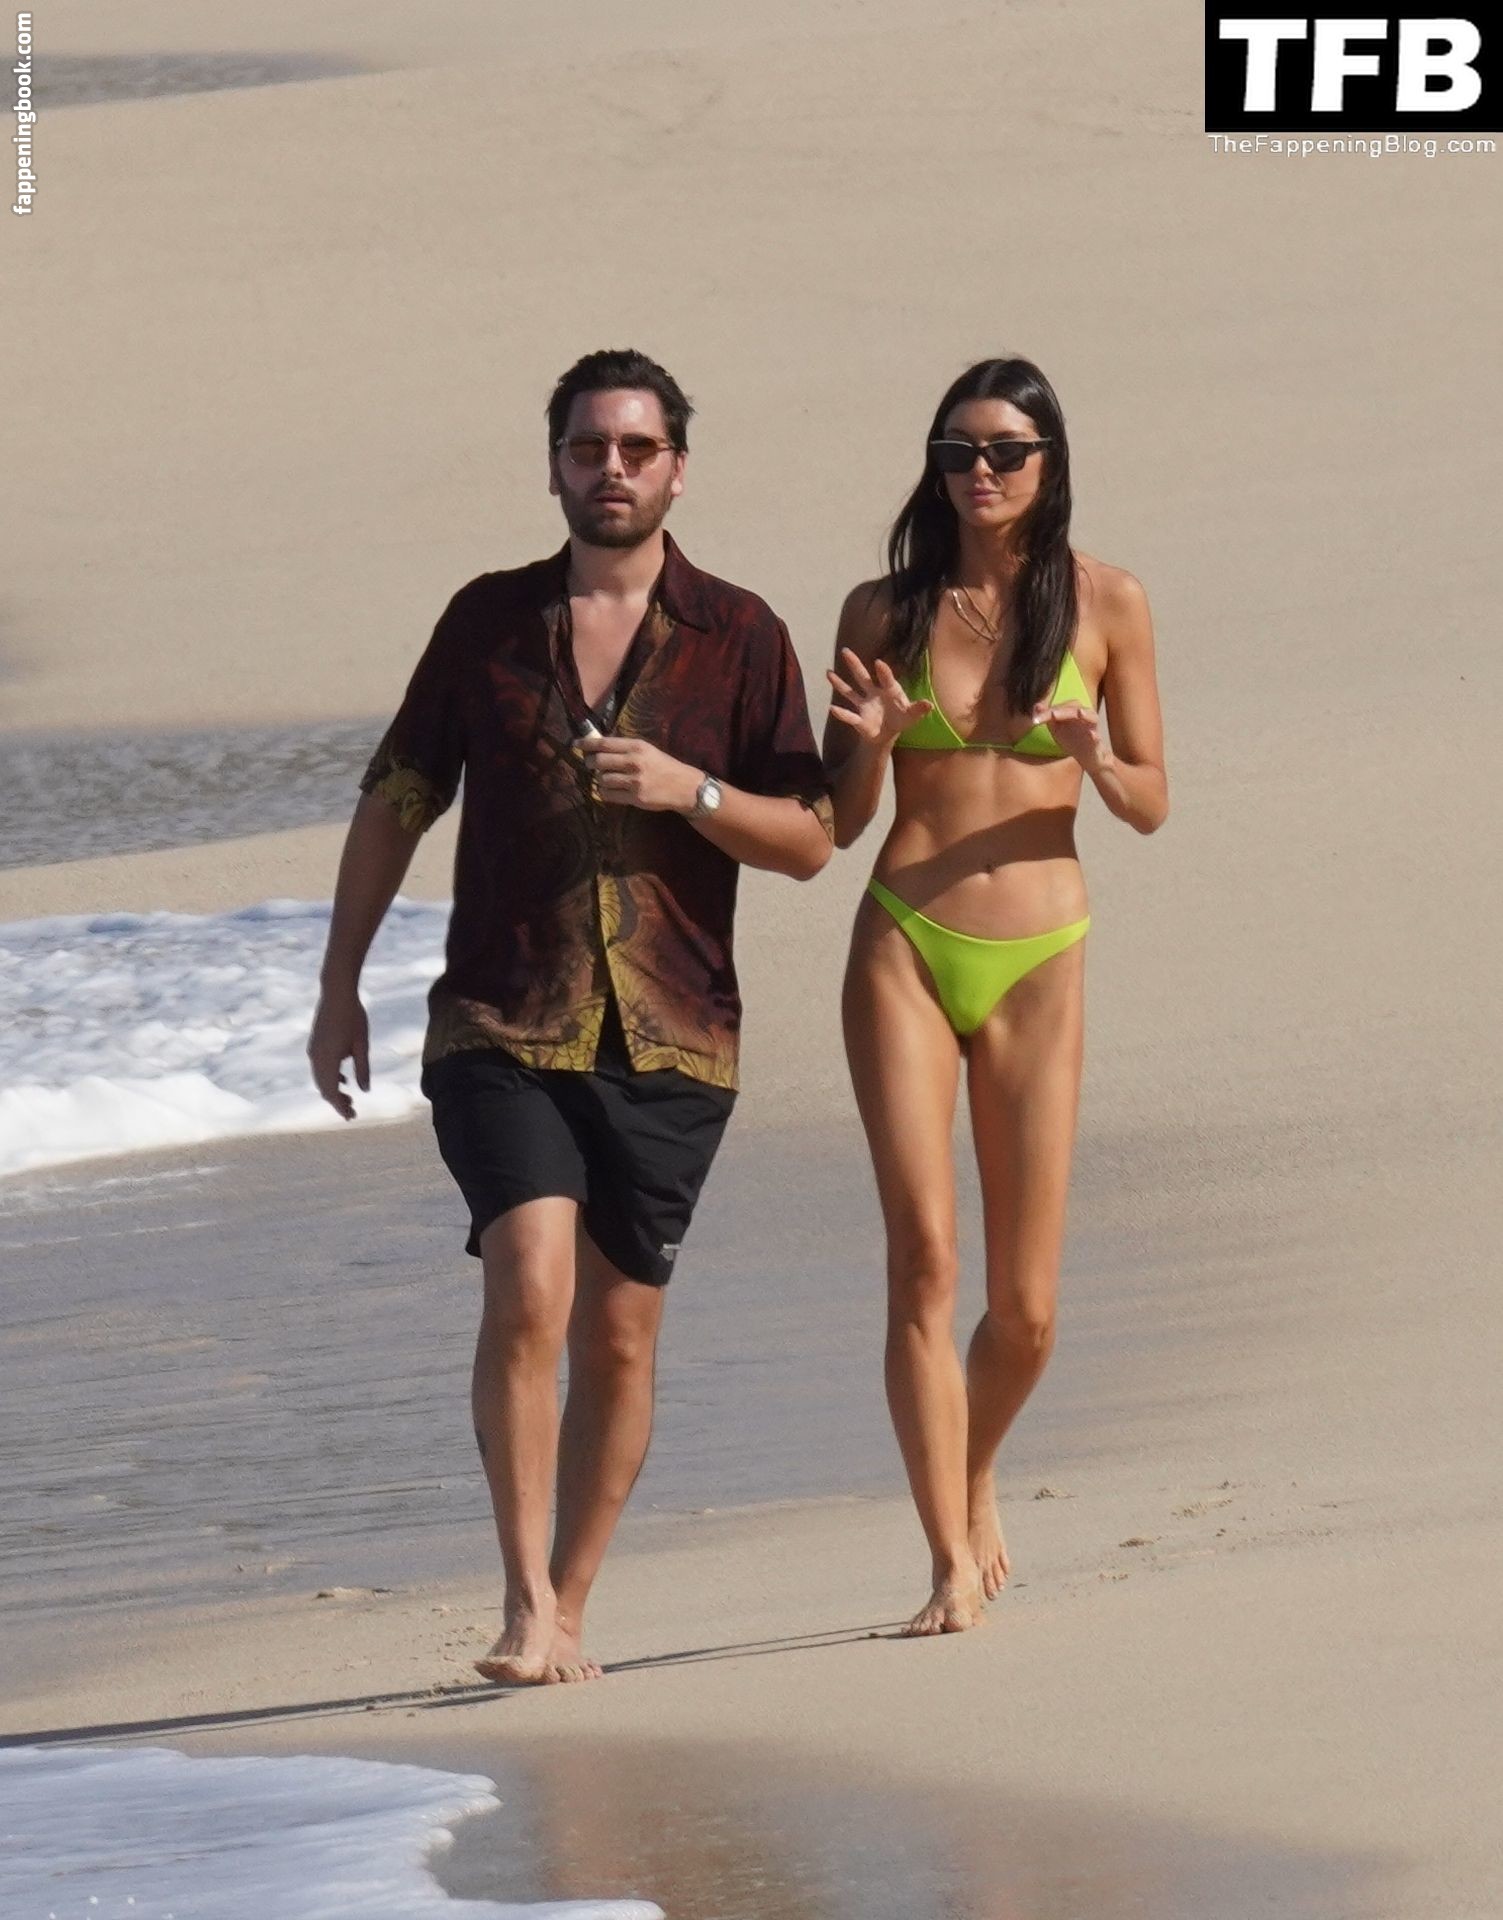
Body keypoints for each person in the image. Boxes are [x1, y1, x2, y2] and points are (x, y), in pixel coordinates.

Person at [308, 348, 833, 1684]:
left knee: (619, 1333)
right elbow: (398, 798)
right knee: (530, 1280)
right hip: (504, 1015)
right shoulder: (487, 623)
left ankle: (577, 1600)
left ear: (676, 469)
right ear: (553, 465)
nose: (612, 469)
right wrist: (338, 983)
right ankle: (523, 1601)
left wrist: (686, 790)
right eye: (588, 447)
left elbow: (809, 838)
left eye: (636, 448)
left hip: (673, 1030)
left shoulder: (740, 634)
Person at [822, 356, 1168, 1636]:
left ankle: (974, 1470)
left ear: (1049, 463)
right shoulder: (882, 608)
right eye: (959, 451)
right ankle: (946, 1568)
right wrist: (869, 743)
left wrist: (1096, 759)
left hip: (1040, 952)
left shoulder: (1108, 602)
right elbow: (841, 818)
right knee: (924, 1257)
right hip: (904, 941)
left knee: (1026, 1313)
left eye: (1008, 451)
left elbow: (1151, 803)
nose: (982, 472)